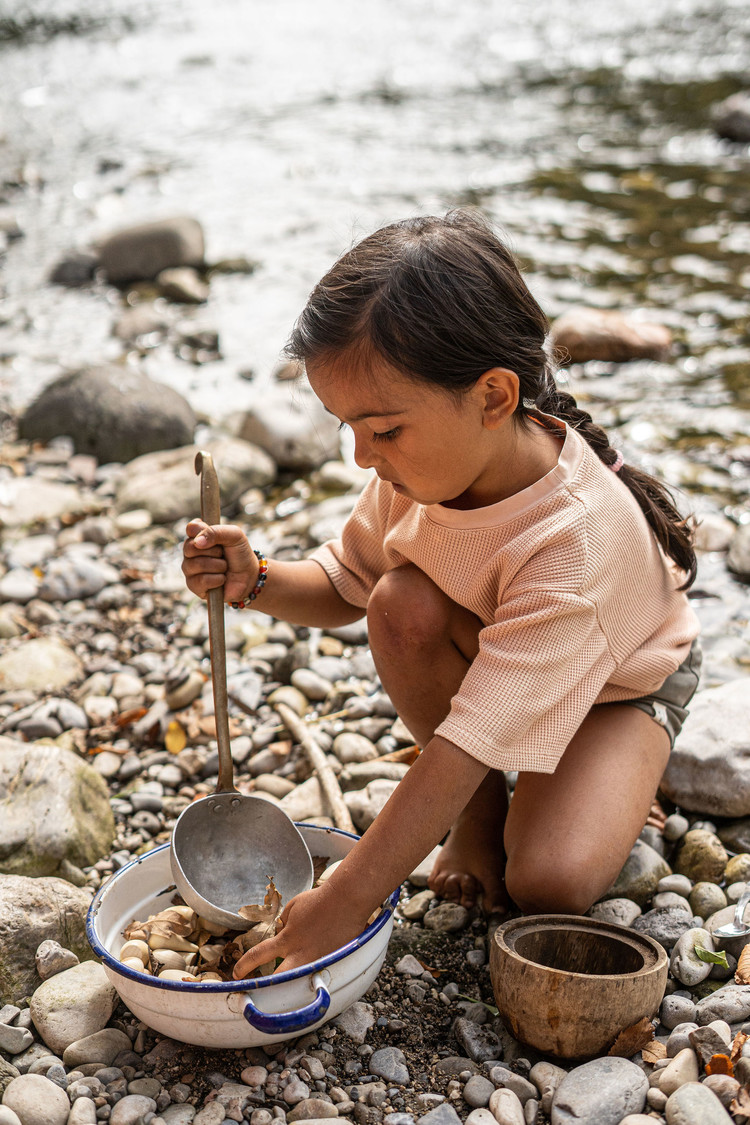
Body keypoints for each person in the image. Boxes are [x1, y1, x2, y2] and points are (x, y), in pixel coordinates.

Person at [181, 210, 701, 979]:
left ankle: (628, 770)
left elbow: (461, 743)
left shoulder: (574, 540)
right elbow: (346, 582)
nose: (362, 455)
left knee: (546, 881)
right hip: (502, 667)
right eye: (346, 428)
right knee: (401, 602)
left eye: (382, 429)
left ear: (493, 396)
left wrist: (348, 896)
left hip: (618, 687)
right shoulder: (425, 471)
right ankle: (481, 817)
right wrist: (253, 578)